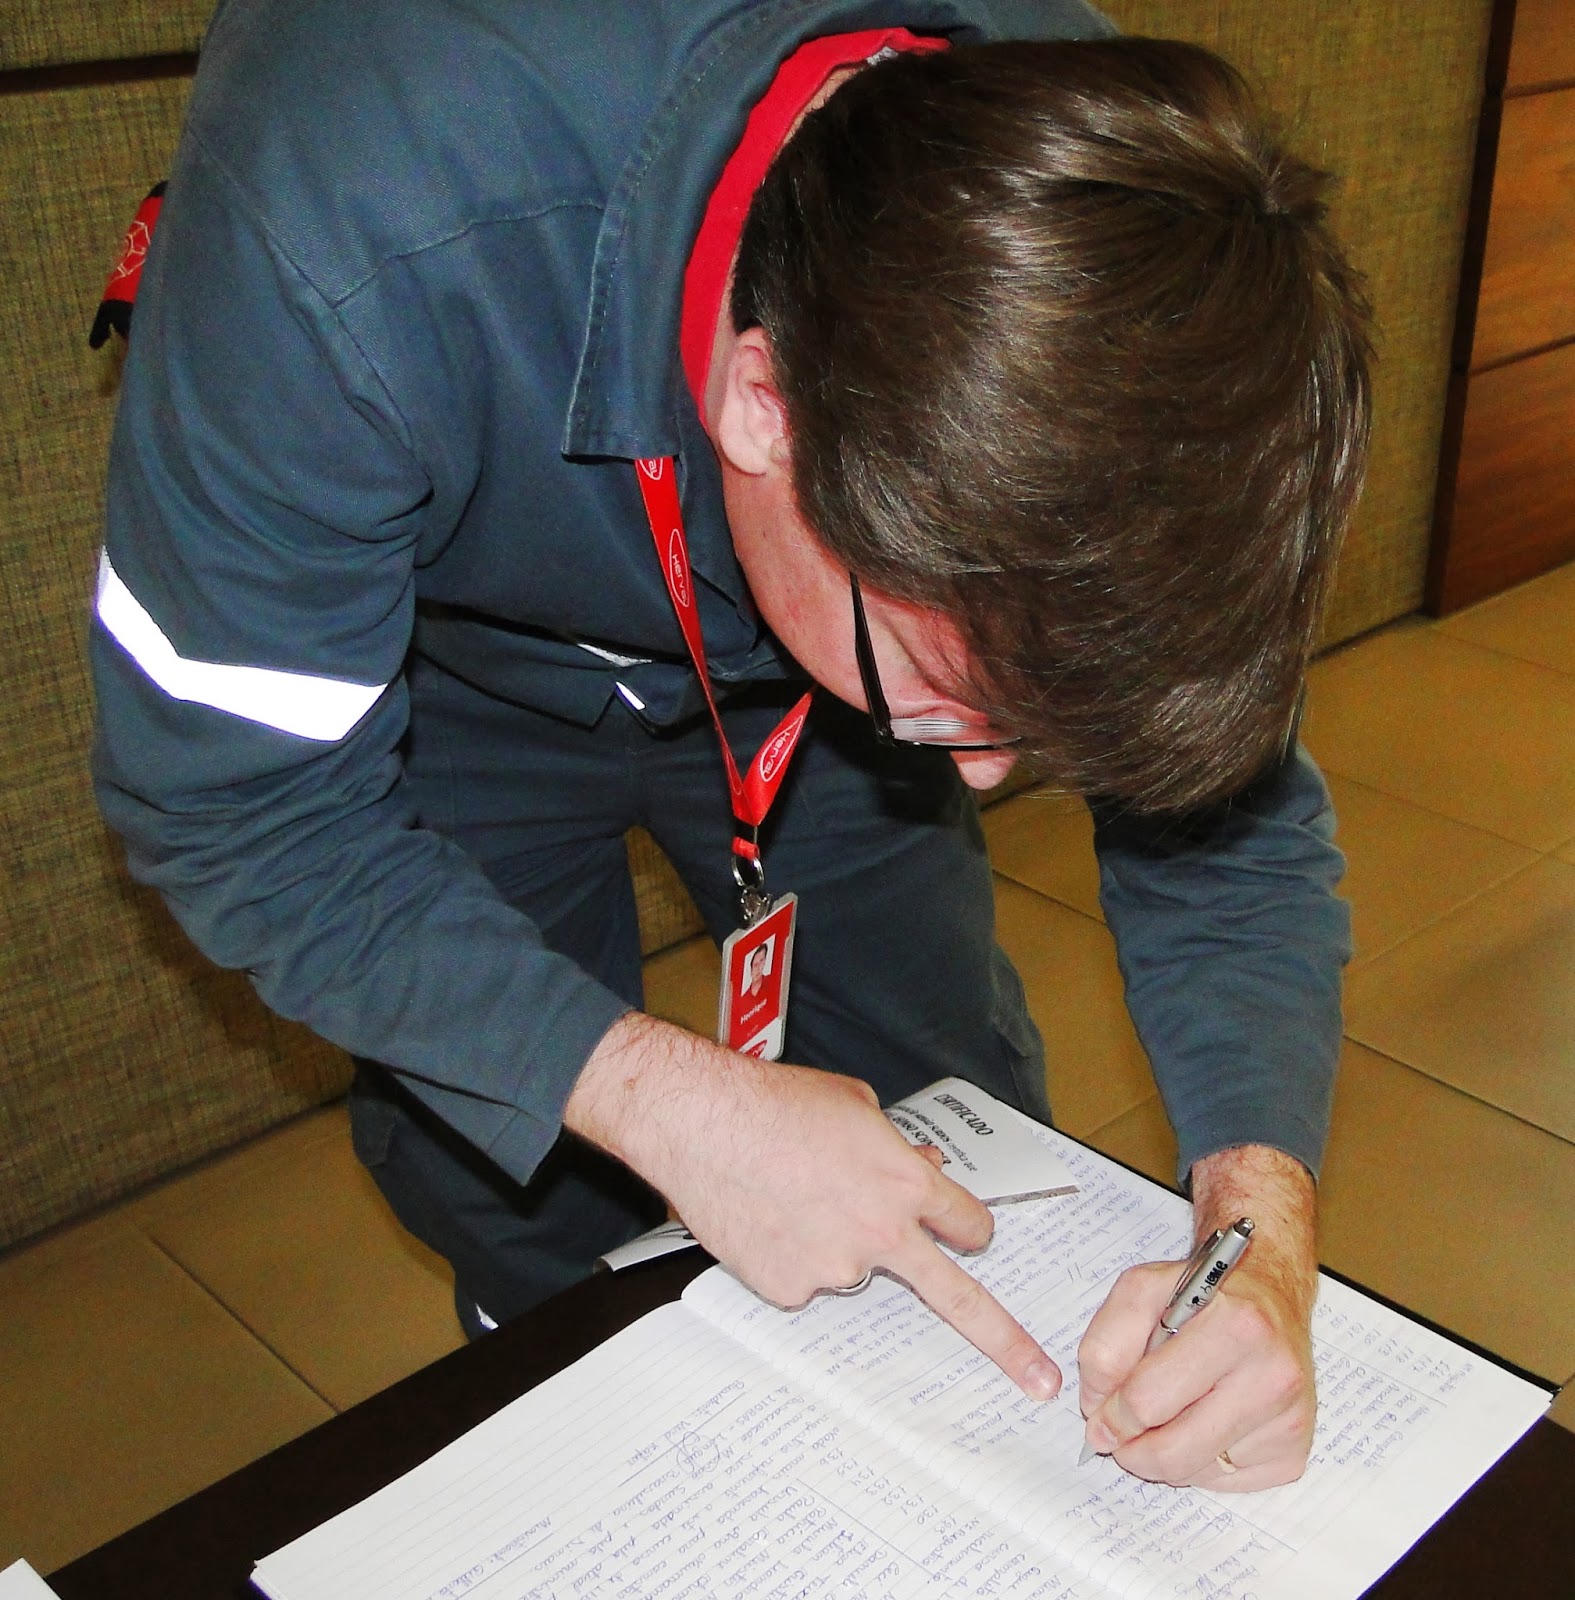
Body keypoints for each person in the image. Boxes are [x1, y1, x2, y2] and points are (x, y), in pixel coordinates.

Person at [90, 0, 1371, 1494]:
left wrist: (1260, 1232)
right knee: (517, 1169)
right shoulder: (344, 222)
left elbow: (1220, 828)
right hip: (443, 652)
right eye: (955, 700)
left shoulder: (1111, 236)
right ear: (765, 406)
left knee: (941, 1105)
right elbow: (246, 812)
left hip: (816, 667)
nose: (982, 779)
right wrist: (664, 1102)